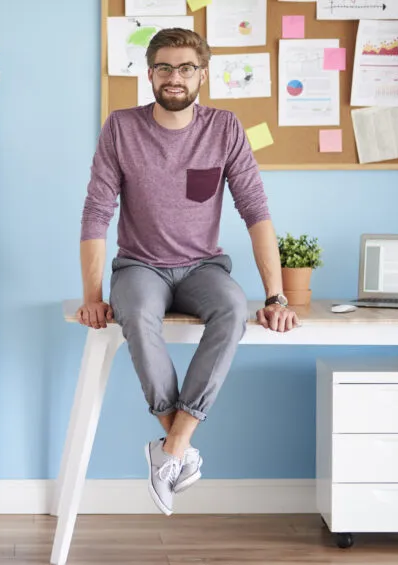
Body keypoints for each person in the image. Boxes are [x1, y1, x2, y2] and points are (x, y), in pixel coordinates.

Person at [75, 28, 299, 516]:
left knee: (234, 308)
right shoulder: (120, 127)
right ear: (149, 73)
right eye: (164, 68)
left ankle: (171, 448)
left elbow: (256, 212)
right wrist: (93, 295)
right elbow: (96, 213)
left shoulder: (224, 128)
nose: (174, 78)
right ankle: (181, 445)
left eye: (185, 68)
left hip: (203, 267)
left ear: (202, 74)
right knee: (133, 313)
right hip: (140, 266)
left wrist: (277, 297)